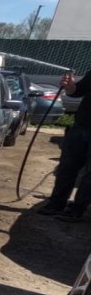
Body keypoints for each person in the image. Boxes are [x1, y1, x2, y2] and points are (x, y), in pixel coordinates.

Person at [39, 69, 91, 220]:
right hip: (81, 126)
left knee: (90, 176)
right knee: (66, 168)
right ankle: (56, 204)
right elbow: (78, 91)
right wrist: (69, 86)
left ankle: (76, 210)